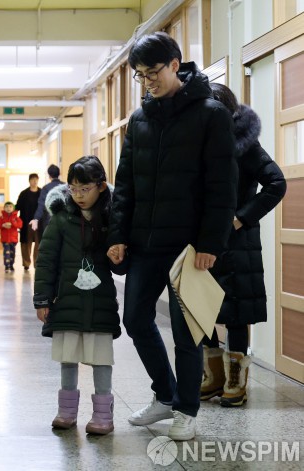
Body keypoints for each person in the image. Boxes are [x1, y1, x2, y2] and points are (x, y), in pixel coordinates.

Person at [106, 32, 238, 441]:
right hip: (145, 243)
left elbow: (222, 186)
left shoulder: (211, 114)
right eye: (141, 76)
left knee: (186, 333)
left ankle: (186, 409)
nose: (148, 82)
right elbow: (125, 184)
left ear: (175, 65)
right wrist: (118, 235)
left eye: (153, 72)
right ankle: (165, 394)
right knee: (134, 319)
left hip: (189, 248)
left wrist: (210, 243)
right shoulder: (140, 120)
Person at [199, 83, 286, 407]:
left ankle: (235, 380)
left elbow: (276, 182)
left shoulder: (244, 143)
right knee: (200, 307)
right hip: (203, 238)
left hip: (237, 241)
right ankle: (213, 376)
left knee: (235, 311)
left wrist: (240, 218)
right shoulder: (196, 143)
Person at [34, 156, 127, 435]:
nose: (78, 195)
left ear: (101, 186)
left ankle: (103, 415)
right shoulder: (61, 219)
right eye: (73, 188)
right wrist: (42, 299)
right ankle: (66, 412)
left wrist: (118, 256)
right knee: (68, 355)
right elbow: (46, 261)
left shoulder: (112, 219)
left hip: (100, 300)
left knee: (101, 357)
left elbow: (122, 264)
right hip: (67, 299)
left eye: (85, 189)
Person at [15, 173, 41, 271]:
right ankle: (26, 263)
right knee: (26, 244)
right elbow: (17, 206)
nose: (34, 181)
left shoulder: (41, 193)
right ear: (29, 181)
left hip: (38, 223)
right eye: (32, 179)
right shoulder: (24, 194)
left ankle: (37, 263)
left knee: (39, 244)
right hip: (26, 223)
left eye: (36, 179)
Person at [29, 164, 63, 235]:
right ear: (59, 174)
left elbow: (41, 205)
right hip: (65, 221)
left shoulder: (46, 188)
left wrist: (36, 219)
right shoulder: (66, 187)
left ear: (49, 176)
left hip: (50, 221)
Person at [0, 201, 23, 273]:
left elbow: (20, 225)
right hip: (5, 239)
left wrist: (12, 223)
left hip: (13, 240)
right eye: (6, 207)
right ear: (4, 208)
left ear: (13, 208)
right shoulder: (2, 217)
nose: (8, 208)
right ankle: (7, 266)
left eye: (10, 207)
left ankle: (11, 265)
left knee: (12, 253)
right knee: (6, 253)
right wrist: (3, 225)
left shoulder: (16, 218)